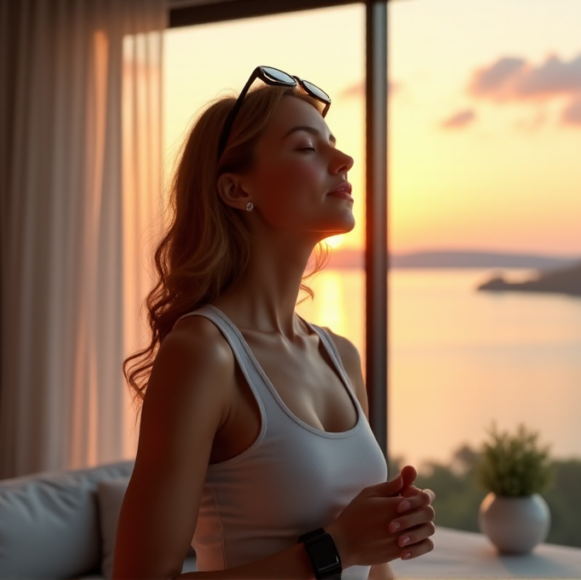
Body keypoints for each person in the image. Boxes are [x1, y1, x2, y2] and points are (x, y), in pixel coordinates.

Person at [114, 67, 437, 580]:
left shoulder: (340, 356)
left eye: (333, 144)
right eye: (307, 147)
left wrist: (388, 532)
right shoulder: (204, 354)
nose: (345, 161)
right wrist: (337, 547)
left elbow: (372, 570)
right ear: (236, 188)